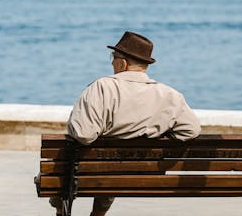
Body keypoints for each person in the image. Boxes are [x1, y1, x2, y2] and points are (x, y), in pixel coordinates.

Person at [51, 31, 201, 216]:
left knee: (62, 162)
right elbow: (191, 131)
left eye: (113, 57)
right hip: (143, 174)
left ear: (122, 63)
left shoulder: (102, 87)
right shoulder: (170, 95)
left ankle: (61, 212)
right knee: (111, 168)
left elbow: (84, 135)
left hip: (95, 172)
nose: (112, 62)